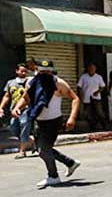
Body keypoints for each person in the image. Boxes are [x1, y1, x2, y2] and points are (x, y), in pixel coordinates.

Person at [11, 59, 81, 188]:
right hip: (38, 120)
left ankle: (53, 176)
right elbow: (26, 98)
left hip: (53, 121)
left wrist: (72, 118)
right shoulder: (32, 82)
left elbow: (75, 99)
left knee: (43, 150)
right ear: (37, 70)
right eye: (42, 71)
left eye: (48, 71)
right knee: (42, 149)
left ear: (52, 71)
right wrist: (17, 107)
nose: (45, 73)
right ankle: (70, 163)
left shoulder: (58, 83)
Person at [1, 63, 33, 158]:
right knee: (13, 129)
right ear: (17, 71)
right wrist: (1, 108)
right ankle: (32, 142)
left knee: (24, 128)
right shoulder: (11, 82)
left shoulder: (30, 82)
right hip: (14, 110)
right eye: (21, 70)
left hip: (26, 110)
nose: (23, 72)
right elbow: (7, 96)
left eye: (25, 71)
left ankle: (22, 151)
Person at [77, 63, 107, 132]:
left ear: (95, 69)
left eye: (93, 68)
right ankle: (92, 127)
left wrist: (97, 91)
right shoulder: (84, 77)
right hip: (86, 98)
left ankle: (104, 126)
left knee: (100, 113)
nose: (91, 70)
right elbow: (79, 86)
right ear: (88, 69)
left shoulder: (98, 77)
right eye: (90, 68)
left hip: (96, 98)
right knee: (87, 114)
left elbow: (103, 86)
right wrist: (81, 94)